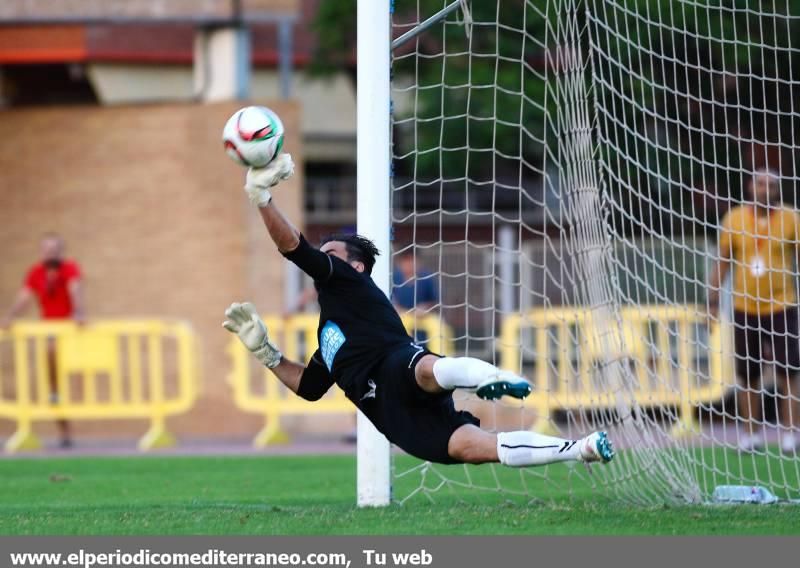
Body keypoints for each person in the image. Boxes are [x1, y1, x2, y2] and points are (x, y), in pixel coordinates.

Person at [222, 154, 615, 468]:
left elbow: (295, 248)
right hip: (396, 419)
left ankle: (493, 377)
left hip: (395, 365)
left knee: (425, 369)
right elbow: (309, 388)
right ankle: (581, 449)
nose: (324, 260)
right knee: (472, 447)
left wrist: (263, 199)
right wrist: (265, 353)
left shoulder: (350, 281)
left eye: (332, 255)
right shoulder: (329, 330)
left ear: (354, 266)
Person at [708, 169, 800, 454]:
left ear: (778, 190)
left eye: (772, 185)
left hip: (782, 304)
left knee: (790, 372)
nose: (766, 189)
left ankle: (791, 434)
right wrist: (710, 303)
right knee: (748, 374)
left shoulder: (791, 218)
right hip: (744, 306)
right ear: (751, 186)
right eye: (761, 184)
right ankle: (751, 435)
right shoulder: (734, 219)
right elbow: (722, 264)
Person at [1, 233, 85, 448]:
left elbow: (75, 289)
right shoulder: (36, 273)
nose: (51, 253)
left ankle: (67, 403)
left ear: (61, 251)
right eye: (47, 249)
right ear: (41, 251)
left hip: (69, 330)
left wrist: (78, 312)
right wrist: (10, 317)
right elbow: (24, 297)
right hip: (50, 332)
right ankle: (64, 428)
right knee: (54, 384)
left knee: (75, 379)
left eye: (55, 249)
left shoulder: (69, 269)